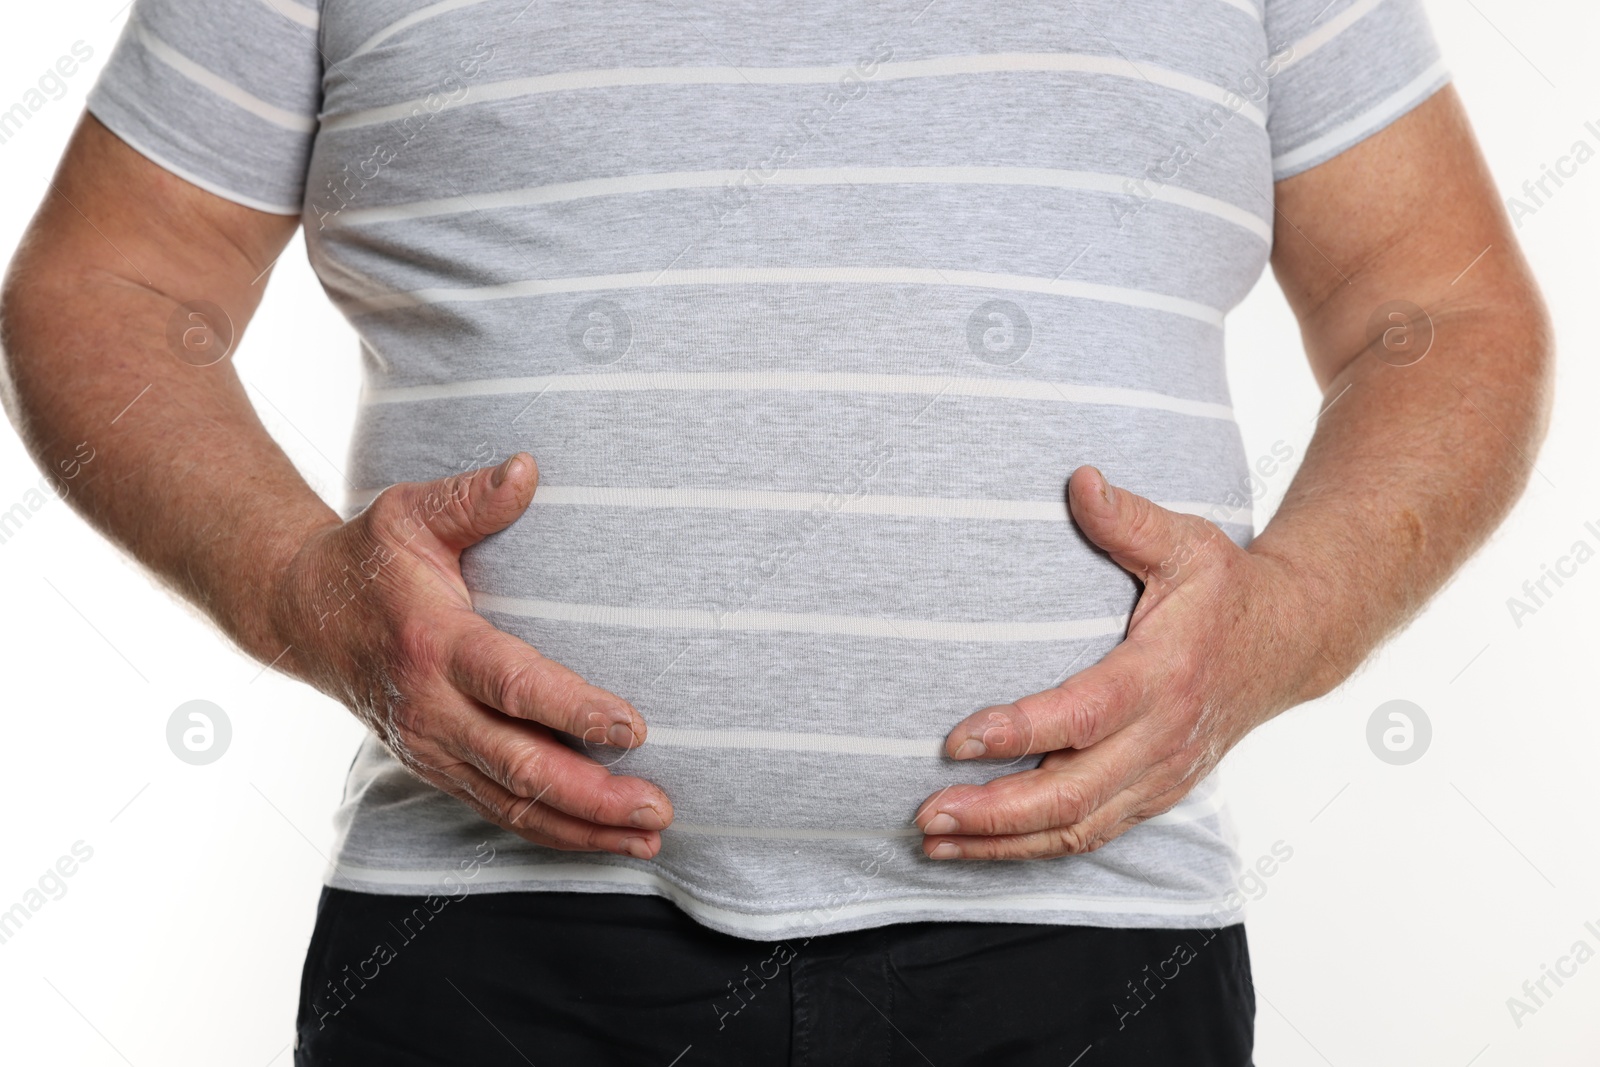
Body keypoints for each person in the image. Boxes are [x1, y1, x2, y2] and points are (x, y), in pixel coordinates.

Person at [0, 0, 1551, 1063]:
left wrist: (1286, 624)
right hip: (488, 955)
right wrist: (297, 590)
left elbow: (1441, 312)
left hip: (1089, 954)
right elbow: (113, 289)